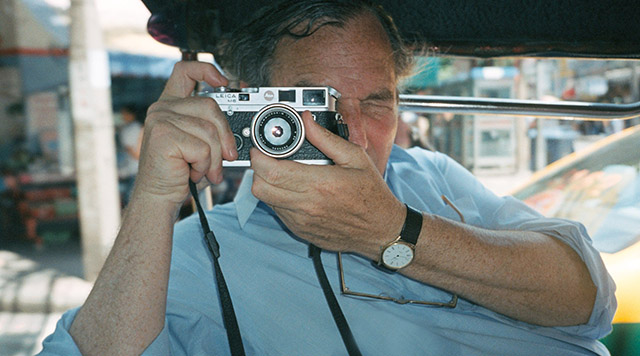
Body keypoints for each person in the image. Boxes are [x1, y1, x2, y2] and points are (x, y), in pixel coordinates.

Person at [39, 1, 616, 355]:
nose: (359, 137)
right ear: (257, 108)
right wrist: (154, 199)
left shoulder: (430, 174)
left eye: (379, 102)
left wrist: (395, 233)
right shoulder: (198, 255)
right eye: (322, 105)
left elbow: (591, 300)